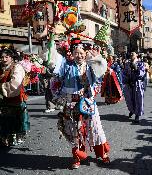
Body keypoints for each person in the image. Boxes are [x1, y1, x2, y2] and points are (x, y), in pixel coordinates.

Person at [52, 41, 110, 169]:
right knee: (75, 133)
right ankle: (77, 157)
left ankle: (103, 154)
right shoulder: (66, 65)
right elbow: (53, 63)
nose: (79, 55)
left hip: (88, 103)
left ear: (85, 54)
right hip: (71, 104)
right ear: (72, 54)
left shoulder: (90, 66)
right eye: (76, 53)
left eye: (81, 53)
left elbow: (101, 70)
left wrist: (95, 58)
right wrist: (51, 41)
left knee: (95, 130)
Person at [0, 47, 29, 146]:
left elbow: (15, 83)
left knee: (18, 118)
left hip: (16, 97)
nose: (4, 59)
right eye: (2, 57)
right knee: (4, 118)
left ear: (11, 57)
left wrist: (2, 88)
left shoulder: (17, 67)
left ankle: (17, 136)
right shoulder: (1, 68)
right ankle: (5, 137)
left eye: (6, 57)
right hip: (3, 99)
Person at [122, 52, 145, 123]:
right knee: (129, 98)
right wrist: (127, 80)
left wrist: (136, 69)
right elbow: (124, 73)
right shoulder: (127, 64)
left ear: (136, 55)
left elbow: (142, 73)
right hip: (129, 84)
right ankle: (132, 110)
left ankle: (137, 115)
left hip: (137, 84)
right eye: (131, 54)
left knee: (138, 98)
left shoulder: (140, 63)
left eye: (133, 54)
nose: (131, 55)